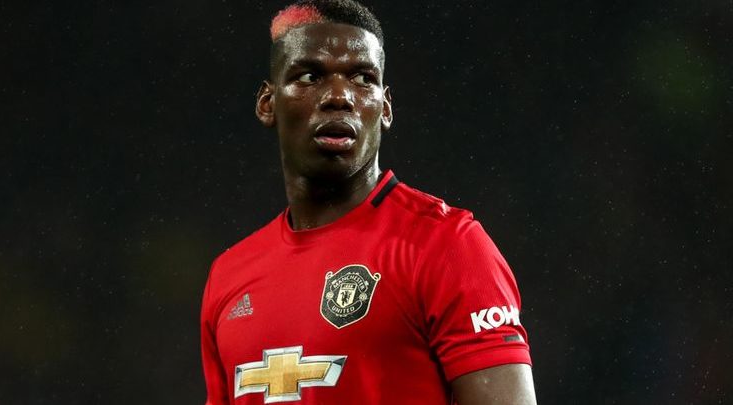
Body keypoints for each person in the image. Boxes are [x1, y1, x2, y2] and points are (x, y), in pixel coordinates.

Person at [200, 0, 537, 403]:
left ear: (386, 107)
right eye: (310, 76)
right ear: (267, 103)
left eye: (362, 78)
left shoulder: (448, 246)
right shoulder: (229, 277)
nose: (339, 96)